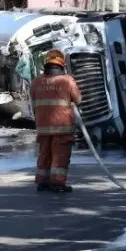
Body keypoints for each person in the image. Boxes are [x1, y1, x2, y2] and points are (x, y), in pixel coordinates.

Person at [31, 49, 82, 193]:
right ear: (61, 65)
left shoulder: (36, 81)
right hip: (62, 126)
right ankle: (57, 183)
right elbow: (78, 99)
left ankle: (43, 182)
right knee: (60, 154)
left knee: (45, 154)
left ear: (46, 64)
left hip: (42, 126)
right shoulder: (67, 81)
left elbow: (34, 103)